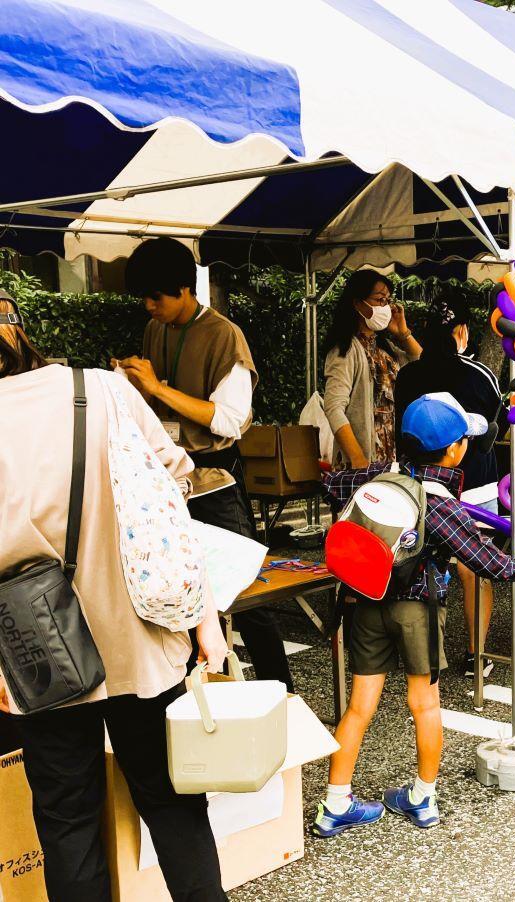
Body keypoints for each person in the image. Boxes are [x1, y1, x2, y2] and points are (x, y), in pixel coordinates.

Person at [0, 290, 228, 901]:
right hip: (141, 633)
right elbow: (174, 495)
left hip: (34, 651)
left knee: (66, 819)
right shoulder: (103, 389)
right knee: (172, 801)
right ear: (20, 331)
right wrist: (205, 618)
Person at [313, 394, 515, 837]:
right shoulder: (441, 504)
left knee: (359, 708)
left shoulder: (373, 478)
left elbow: (331, 484)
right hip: (418, 610)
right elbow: (488, 563)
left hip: (365, 605)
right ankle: (423, 798)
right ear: (454, 450)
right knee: (425, 705)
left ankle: (334, 804)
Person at [116, 238, 292, 691]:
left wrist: (155, 388)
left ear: (184, 288)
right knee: (172, 585)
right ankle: (193, 695)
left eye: (156, 296)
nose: (148, 305)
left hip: (216, 478)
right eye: (144, 297)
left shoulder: (224, 335)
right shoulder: (156, 329)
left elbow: (230, 420)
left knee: (244, 592)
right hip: (166, 478)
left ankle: (281, 692)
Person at [393, 314, 504, 677]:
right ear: (461, 334)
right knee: (476, 567)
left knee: (414, 559)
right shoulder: (480, 374)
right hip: (473, 486)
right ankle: (477, 654)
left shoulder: (407, 375)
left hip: (420, 485)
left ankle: (412, 647)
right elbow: (491, 429)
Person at [323, 269, 423, 469]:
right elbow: (334, 407)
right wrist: (357, 457)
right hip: (362, 463)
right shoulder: (345, 351)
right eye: (379, 300)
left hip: (391, 458)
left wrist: (403, 333)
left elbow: (420, 363)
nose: (385, 307)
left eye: (387, 301)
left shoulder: (384, 348)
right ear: (358, 303)